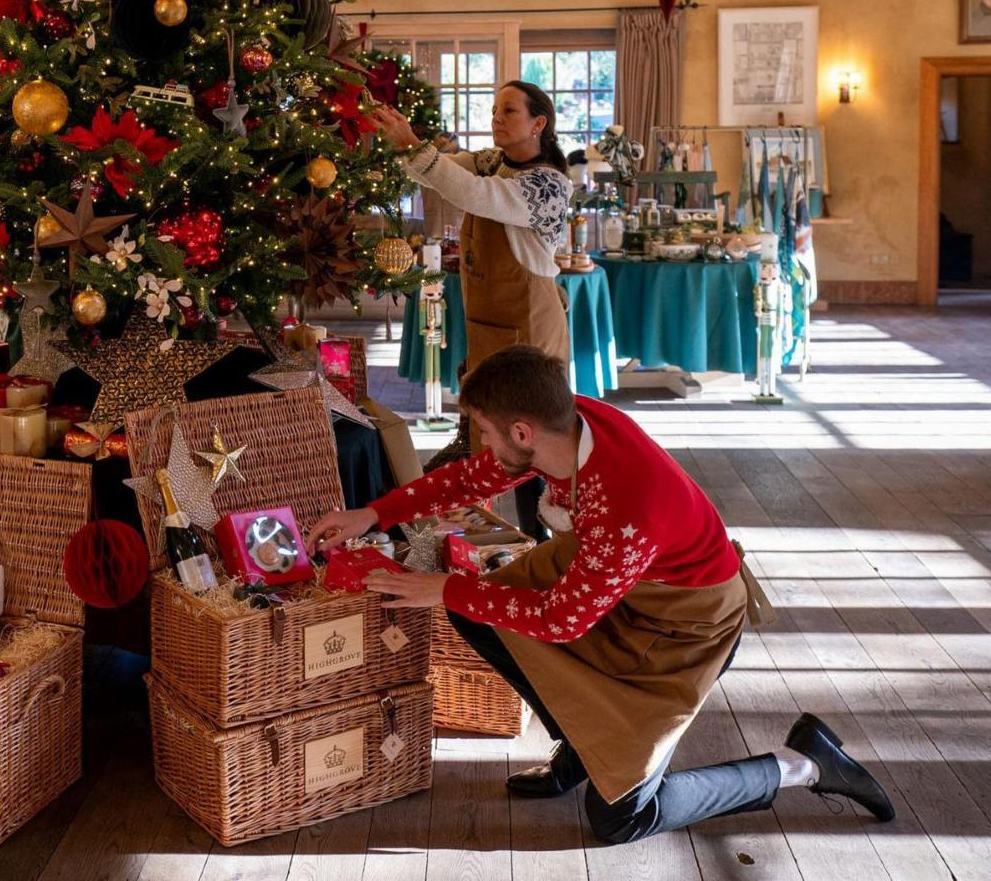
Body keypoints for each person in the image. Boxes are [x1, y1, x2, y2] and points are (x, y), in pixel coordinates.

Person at [309, 345, 894, 845]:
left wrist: (444, 586)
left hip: (684, 625)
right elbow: (471, 478)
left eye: (484, 430)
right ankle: (580, 746)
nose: (480, 444)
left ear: (521, 431)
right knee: (474, 610)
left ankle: (805, 764)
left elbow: (562, 620)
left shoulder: (625, 504)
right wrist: (374, 513)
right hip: (611, 576)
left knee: (621, 820)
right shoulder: (567, 424)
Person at [370, 80, 571, 530]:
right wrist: (403, 147)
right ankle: (492, 545)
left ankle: (541, 545)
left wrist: (414, 147)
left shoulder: (548, 185)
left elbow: (474, 194)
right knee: (493, 447)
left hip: (531, 333)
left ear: (539, 123)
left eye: (509, 112)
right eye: (494, 110)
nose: (496, 118)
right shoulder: (491, 162)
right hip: (492, 331)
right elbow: (443, 173)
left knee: (531, 450)